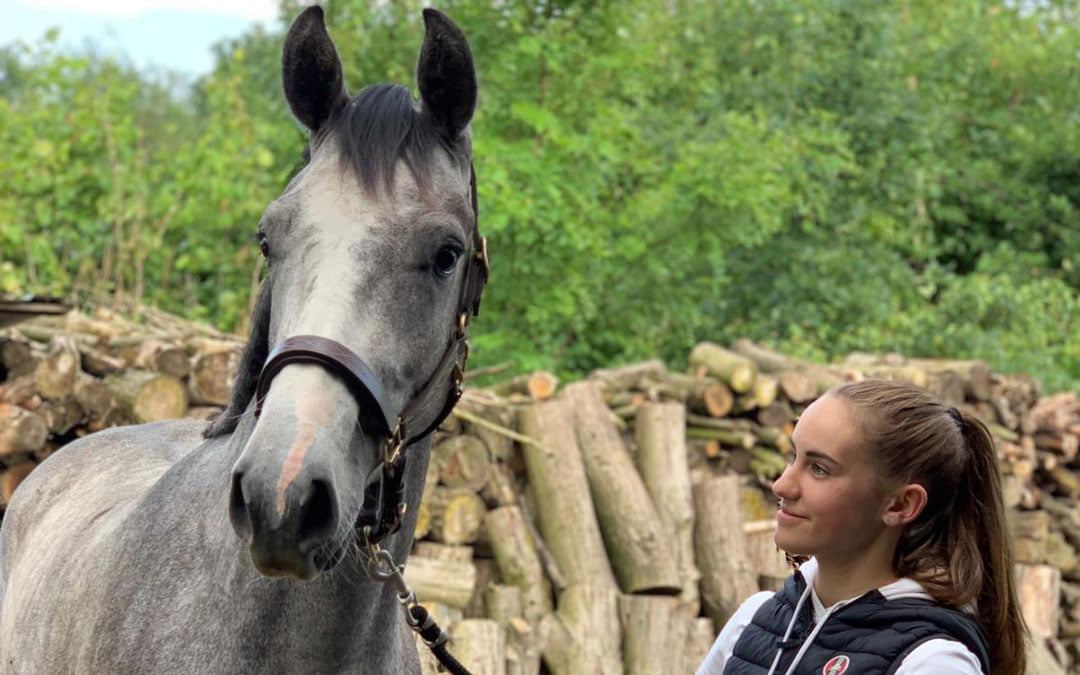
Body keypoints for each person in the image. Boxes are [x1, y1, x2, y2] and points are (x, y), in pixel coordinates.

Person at [697, 379, 1026, 675]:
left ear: (900, 505)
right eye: (792, 456)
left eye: (819, 469)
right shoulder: (755, 620)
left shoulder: (931, 662)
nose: (782, 486)